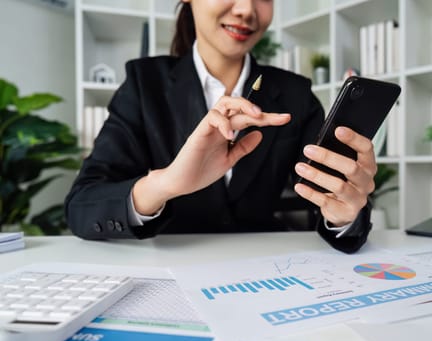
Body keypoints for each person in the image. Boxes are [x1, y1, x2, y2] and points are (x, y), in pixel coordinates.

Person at [65, 0, 377, 253]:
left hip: (263, 272)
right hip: (168, 269)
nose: (246, 9)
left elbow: (329, 198)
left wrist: (344, 213)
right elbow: (82, 206)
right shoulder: (144, 85)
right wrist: (164, 185)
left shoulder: (295, 94)